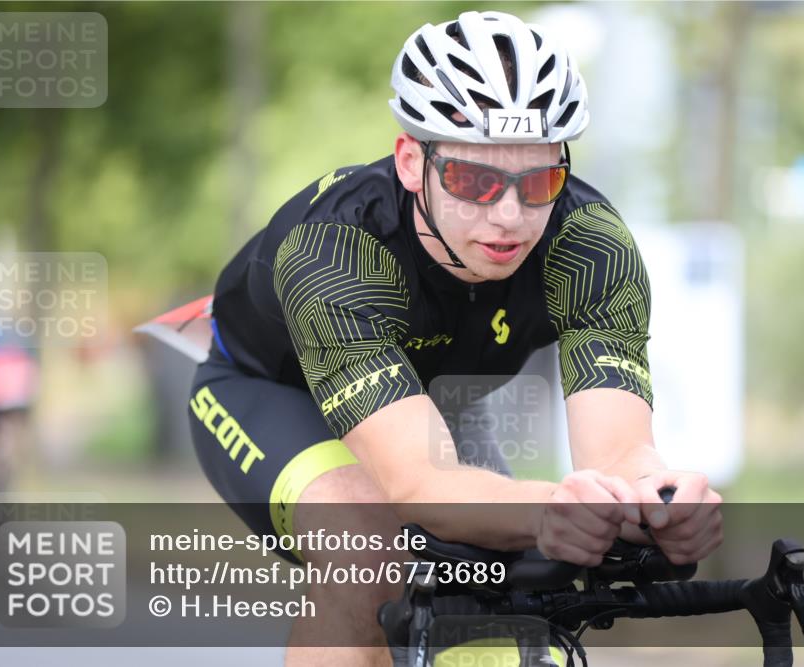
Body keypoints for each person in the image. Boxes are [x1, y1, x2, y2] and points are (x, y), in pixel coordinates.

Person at [187, 10, 723, 666]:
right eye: (475, 181)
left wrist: (661, 496)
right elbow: (417, 485)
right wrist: (551, 510)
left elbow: (618, 454)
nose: (509, 214)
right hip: (269, 393)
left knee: (504, 608)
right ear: (412, 161)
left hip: (428, 405)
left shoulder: (588, 246)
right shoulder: (338, 251)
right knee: (366, 540)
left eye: (540, 181)